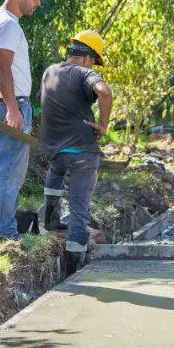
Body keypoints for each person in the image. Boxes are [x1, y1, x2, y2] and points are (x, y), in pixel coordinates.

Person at [0, 0, 49, 240]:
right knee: (9, 170)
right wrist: (11, 108)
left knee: (8, 167)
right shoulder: (8, 24)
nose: (38, 3)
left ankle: (2, 227)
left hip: (0, 101)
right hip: (10, 104)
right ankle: (1, 232)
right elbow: (3, 66)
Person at [40, 30, 113, 274]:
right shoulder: (85, 73)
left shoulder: (49, 71)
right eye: (94, 60)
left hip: (55, 152)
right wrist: (103, 125)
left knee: (55, 174)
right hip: (82, 152)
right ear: (86, 57)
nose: (93, 65)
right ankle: (73, 271)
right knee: (79, 211)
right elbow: (104, 91)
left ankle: (50, 221)